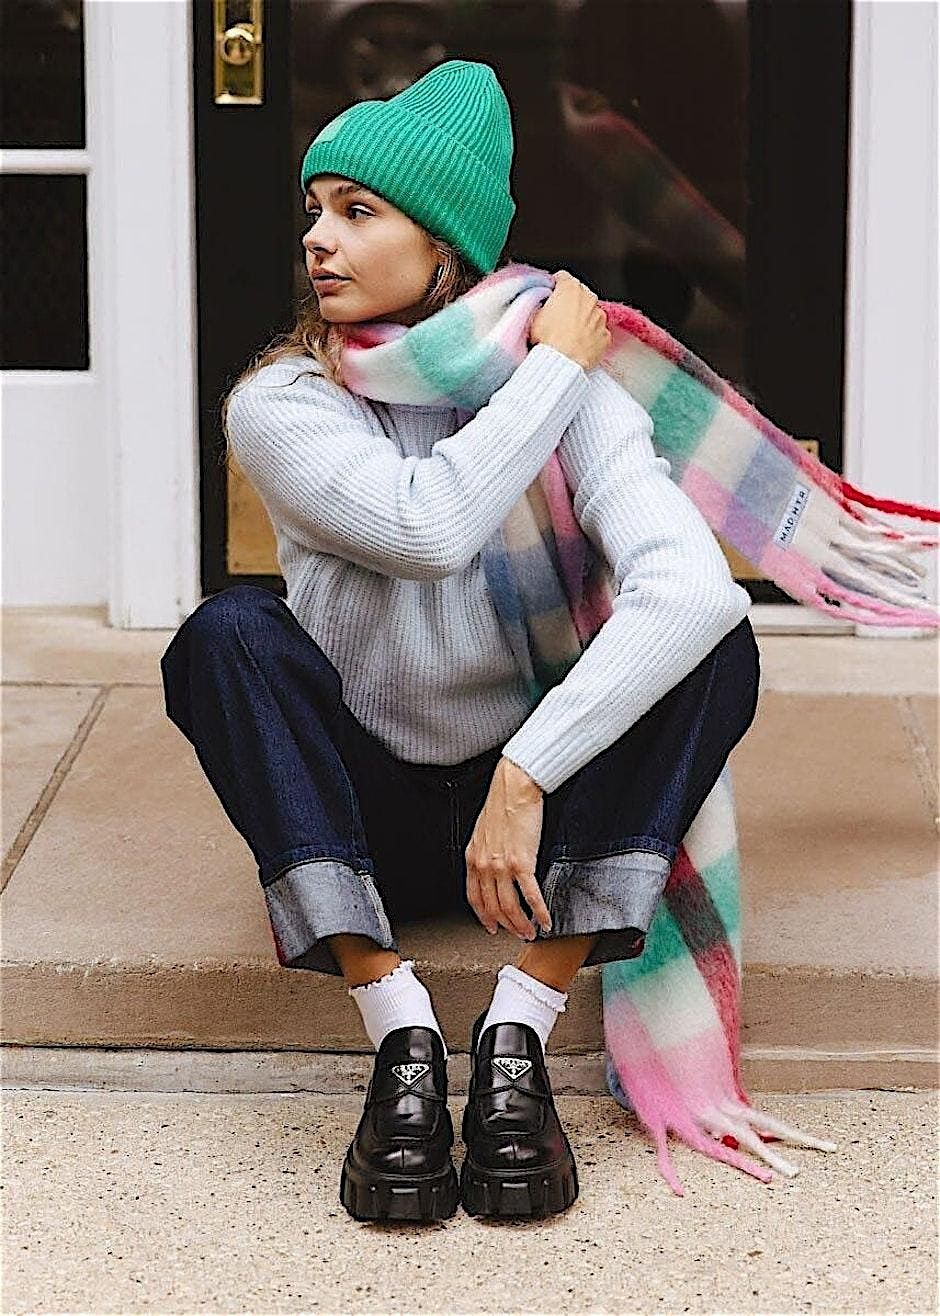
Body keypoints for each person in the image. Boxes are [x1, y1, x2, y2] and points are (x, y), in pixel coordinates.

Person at [160, 59, 759, 1224]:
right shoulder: (285, 400)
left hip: (526, 827)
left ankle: (518, 1026)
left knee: (714, 646)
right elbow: (425, 524)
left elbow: (693, 592)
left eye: (356, 211)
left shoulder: (570, 393)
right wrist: (553, 372)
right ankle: (399, 1027)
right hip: (367, 810)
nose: (317, 239)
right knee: (227, 634)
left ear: (443, 248)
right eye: (314, 210)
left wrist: (527, 771)